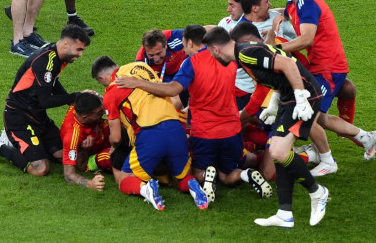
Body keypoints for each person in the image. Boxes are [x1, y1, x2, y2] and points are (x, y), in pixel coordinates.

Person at [115, 25, 272, 203]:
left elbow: (173, 89)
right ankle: (246, 174)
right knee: (227, 173)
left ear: (190, 42)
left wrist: (137, 83)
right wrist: (249, 111)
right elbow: (263, 74)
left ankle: (206, 176)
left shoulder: (192, 62)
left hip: (204, 132)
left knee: (196, 172)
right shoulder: (229, 57)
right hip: (232, 129)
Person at [204, 26, 329, 228]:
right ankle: (284, 213)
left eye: (209, 51)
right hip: (288, 99)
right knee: (277, 152)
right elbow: (276, 73)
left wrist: (300, 97)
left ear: (215, 49)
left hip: (304, 98)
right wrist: (274, 103)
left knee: (279, 153)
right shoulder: (244, 53)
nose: (211, 55)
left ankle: (317, 193)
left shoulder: (247, 54)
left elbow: (288, 64)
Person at [272, 0, 376, 173]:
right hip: (320, 66)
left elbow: (306, 39)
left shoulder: (308, 4)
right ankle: (365, 138)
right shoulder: (295, 2)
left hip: (329, 68)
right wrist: (277, 13)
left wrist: (274, 49)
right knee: (316, 115)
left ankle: (328, 160)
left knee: (310, 114)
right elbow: (289, 11)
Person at [0, 24, 91, 175]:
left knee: (63, 154)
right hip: (18, 117)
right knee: (41, 169)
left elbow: (52, 82)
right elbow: (45, 101)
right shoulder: (45, 62)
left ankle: (23, 144)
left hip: (38, 116)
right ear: (66, 43)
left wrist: (72, 100)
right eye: (79, 49)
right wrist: (75, 96)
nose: (80, 55)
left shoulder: (60, 56)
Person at [91, 56, 209, 210]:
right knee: (182, 177)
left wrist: (114, 148)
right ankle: (193, 184)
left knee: (124, 181)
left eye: (101, 83)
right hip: (176, 129)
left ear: (102, 77)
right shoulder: (141, 66)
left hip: (150, 134)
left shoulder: (112, 91)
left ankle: (146, 189)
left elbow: (116, 137)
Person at [241, 0, 358, 129]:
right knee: (311, 117)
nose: (271, 4)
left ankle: (356, 137)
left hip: (295, 72)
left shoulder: (275, 15)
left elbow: (300, 34)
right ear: (255, 8)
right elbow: (267, 56)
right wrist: (272, 36)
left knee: (346, 89)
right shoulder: (244, 33)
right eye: (267, 2)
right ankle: (359, 138)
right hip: (269, 87)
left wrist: (284, 15)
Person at [59, 92, 111, 190]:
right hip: (95, 154)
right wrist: (90, 184)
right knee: (112, 156)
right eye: (100, 112)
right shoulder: (72, 135)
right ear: (85, 117)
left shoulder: (81, 103)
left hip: (103, 133)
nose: (104, 112)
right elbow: (69, 175)